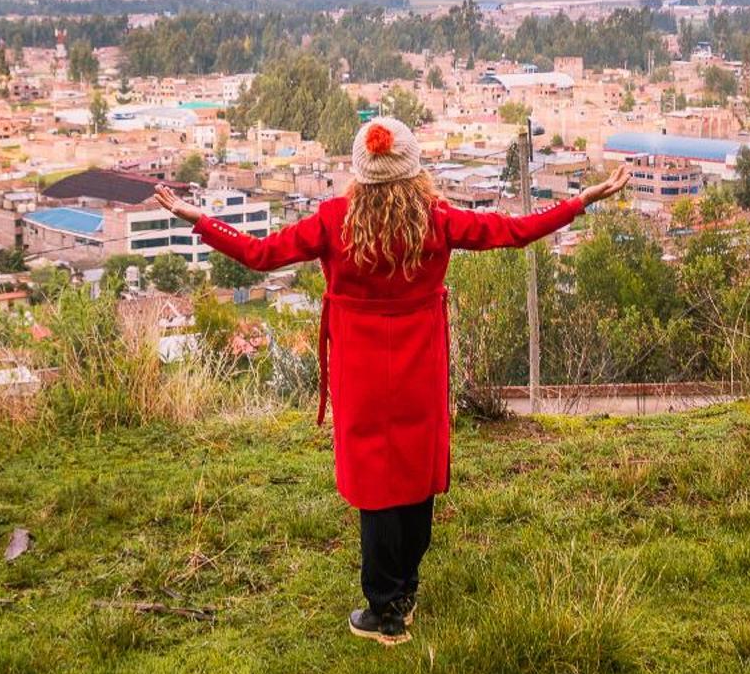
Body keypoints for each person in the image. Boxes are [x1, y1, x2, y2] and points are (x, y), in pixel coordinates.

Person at [153, 115, 628, 646]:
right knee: (415, 468)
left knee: (376, 481)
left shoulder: (334, 220)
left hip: (359, 366)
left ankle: (385, 610)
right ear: (413, 167)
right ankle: (404, 589)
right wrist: (580, 200)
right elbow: (514, 232)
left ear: (360, 171)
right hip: (421, 359)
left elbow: (260, 255)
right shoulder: (437, 218)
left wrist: (201, 220)